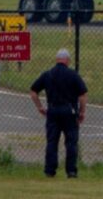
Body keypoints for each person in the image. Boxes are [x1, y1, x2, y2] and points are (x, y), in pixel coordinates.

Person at [29, 48, 87, 178]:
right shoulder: (73, 75)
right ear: (67, 60)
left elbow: (33, 92)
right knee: (71, 142)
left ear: (57, 59)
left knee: (52, 141)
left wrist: (40, 107)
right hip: (69, 111)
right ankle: (71, 171)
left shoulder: (48, 74)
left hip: (52, 110)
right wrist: (82, 112)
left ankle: (50, 171)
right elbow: (83, 95)